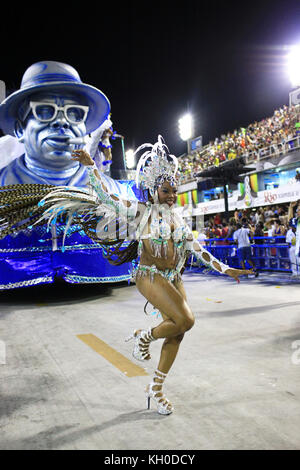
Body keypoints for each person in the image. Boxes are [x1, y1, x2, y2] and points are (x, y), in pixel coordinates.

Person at [0, 136, 252, 415]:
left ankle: (155, 389)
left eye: (174, 192)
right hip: (150, 275)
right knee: (186, 319)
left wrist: (226, 269)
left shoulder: (178, 219)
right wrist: (91, 167)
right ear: (154, 189)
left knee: (179, 331)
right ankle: (144, 337)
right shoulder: (140, 212)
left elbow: (199, 250)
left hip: (173, 277)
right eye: (167, 191)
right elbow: (108, 198)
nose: (171, 196)